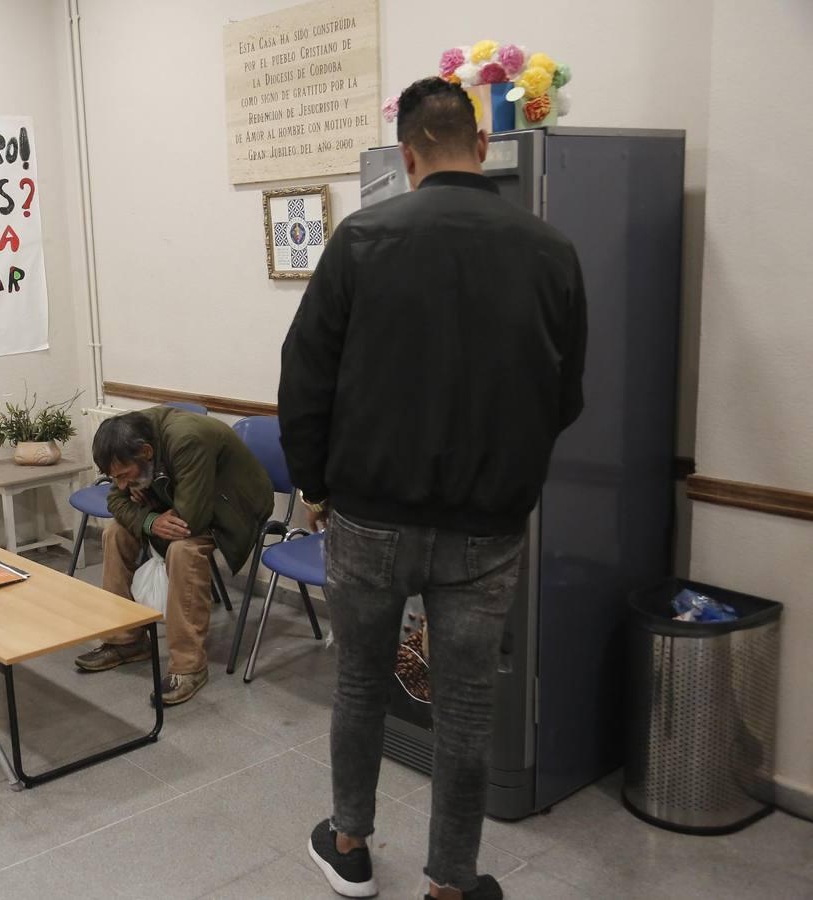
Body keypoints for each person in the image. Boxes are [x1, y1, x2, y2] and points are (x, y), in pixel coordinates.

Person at [279, 77, 587, 900]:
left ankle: (349, 845)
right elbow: (566, 397)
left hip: (370, 515)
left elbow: (305, 378)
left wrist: (315, 485)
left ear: (408, 155)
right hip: (487, 528)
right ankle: (451, 884)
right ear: (482, 146)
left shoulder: (360, 239)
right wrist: (507, 474)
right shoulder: (550, 250)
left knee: (359, 684)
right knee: (465, 708)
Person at [74, 408, 274, 705]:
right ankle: (126, 641)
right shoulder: (132, 438)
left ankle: (188, 666)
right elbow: (116, 499)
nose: (120, 484)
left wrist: (148, 509)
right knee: (115, 533)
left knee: (183, 550)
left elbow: (190, 519)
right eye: (113, 477)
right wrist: (148, 519)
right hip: (181, 500)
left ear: (146, 452)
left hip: (233, 509)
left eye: (124, 475)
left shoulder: (187, 439)